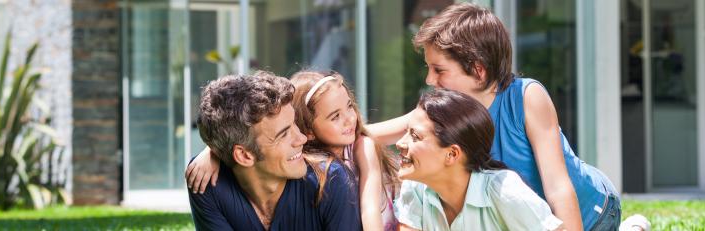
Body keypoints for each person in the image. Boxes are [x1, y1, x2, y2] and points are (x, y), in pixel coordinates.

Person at [367, 3, 629, 230]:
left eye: (439, 70)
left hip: (591, 214)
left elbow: (558, 186)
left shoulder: (526, 98)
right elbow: (380, 131)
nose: (429, 79)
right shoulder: (445, 110)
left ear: (478, 71)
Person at [187, 70, 401, 230]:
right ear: (243, 155)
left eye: (295, 125)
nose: (300, 139)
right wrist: (213, 150)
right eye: (283, 134)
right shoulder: (206, 182)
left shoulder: (333, 178)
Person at [394, 89, 563, 231]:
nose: (400, 143)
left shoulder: (505, 190)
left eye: (414, 136)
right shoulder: (415, 187)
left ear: (452, 154)